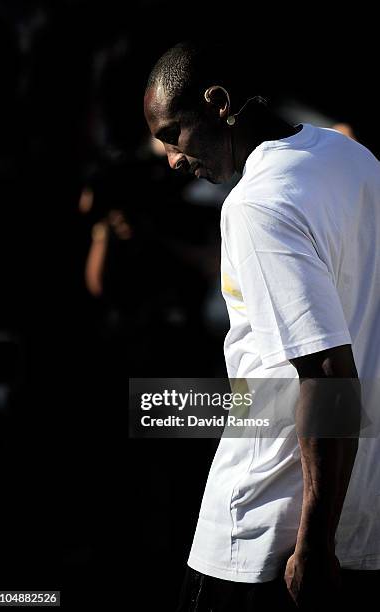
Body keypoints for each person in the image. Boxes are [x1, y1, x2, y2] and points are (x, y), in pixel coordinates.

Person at [143, 41, 380, 611]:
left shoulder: (255, 203)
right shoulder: (354, 160)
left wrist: (315, 541)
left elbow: (327, 374)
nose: (173, 158)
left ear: (218, 102)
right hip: (358, 528)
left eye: (173, 133)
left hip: (265, 535)